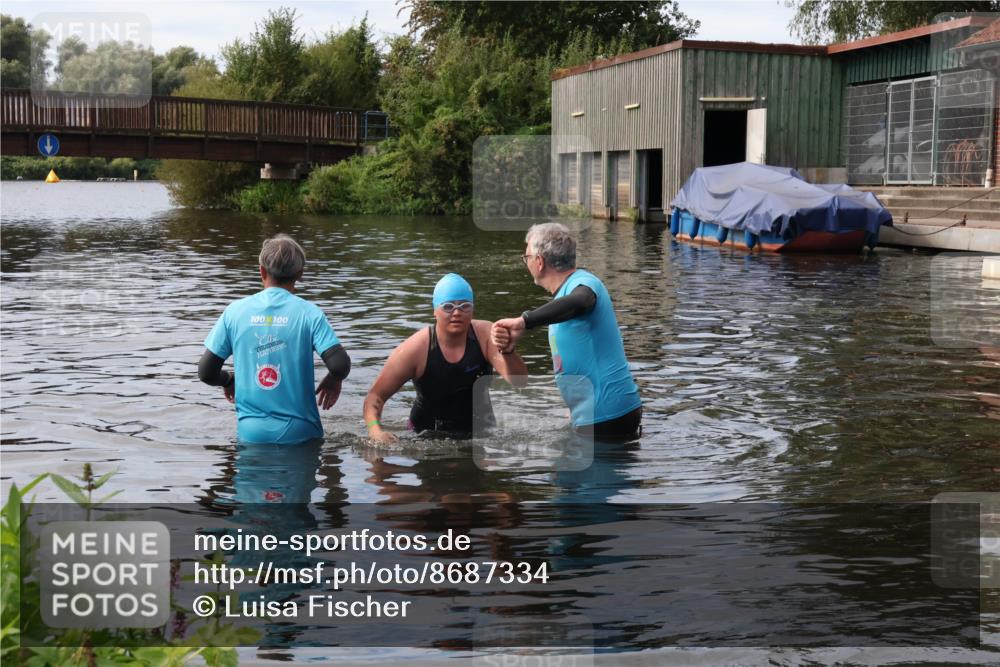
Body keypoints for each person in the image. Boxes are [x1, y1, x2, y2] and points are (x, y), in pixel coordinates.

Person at [491, 222, 641, 440]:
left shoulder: (584, 283)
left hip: (608, 415)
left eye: (527, 258)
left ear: (540, 262)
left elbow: (581, 301)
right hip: (596, 414)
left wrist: (524, 321)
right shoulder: (562, 298)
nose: (527, 263)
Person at [198, 234, 350, 445]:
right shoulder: (310, 313)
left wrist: (229, 380)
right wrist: (334, 379)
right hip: (302, 436)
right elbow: (340, 364)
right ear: (300, 274)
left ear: (261, 270)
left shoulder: (234, 313)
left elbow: (206, 373)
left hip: (252, 437)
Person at [364, 273, 528, 443]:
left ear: (472, 309)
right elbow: (375, 397)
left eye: (465, 306)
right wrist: (375, 431)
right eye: (448, 307)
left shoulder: (486, 335)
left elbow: (519, 382)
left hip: (480, 434)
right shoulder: (415, 349)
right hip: (425, 436)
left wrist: (508, 351)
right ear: (435, 310)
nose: (457, 313)